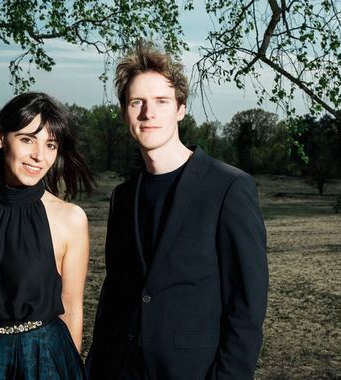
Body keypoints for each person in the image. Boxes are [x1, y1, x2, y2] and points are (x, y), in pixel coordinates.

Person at [85, 43, 269, 379]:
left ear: (180, 109)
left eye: (161, 101)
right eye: (136, 102)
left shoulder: (229, 188)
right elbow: (113, 297)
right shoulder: (123, 197)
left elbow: (247, 309)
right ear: (125, 112)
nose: (148, 113)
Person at [0, 92, 95, 380]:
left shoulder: (70, 219)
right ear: (1, 137)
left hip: (41, 362)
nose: (39, 155)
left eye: (50, 144)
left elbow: (73, 310)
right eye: (27, 139)